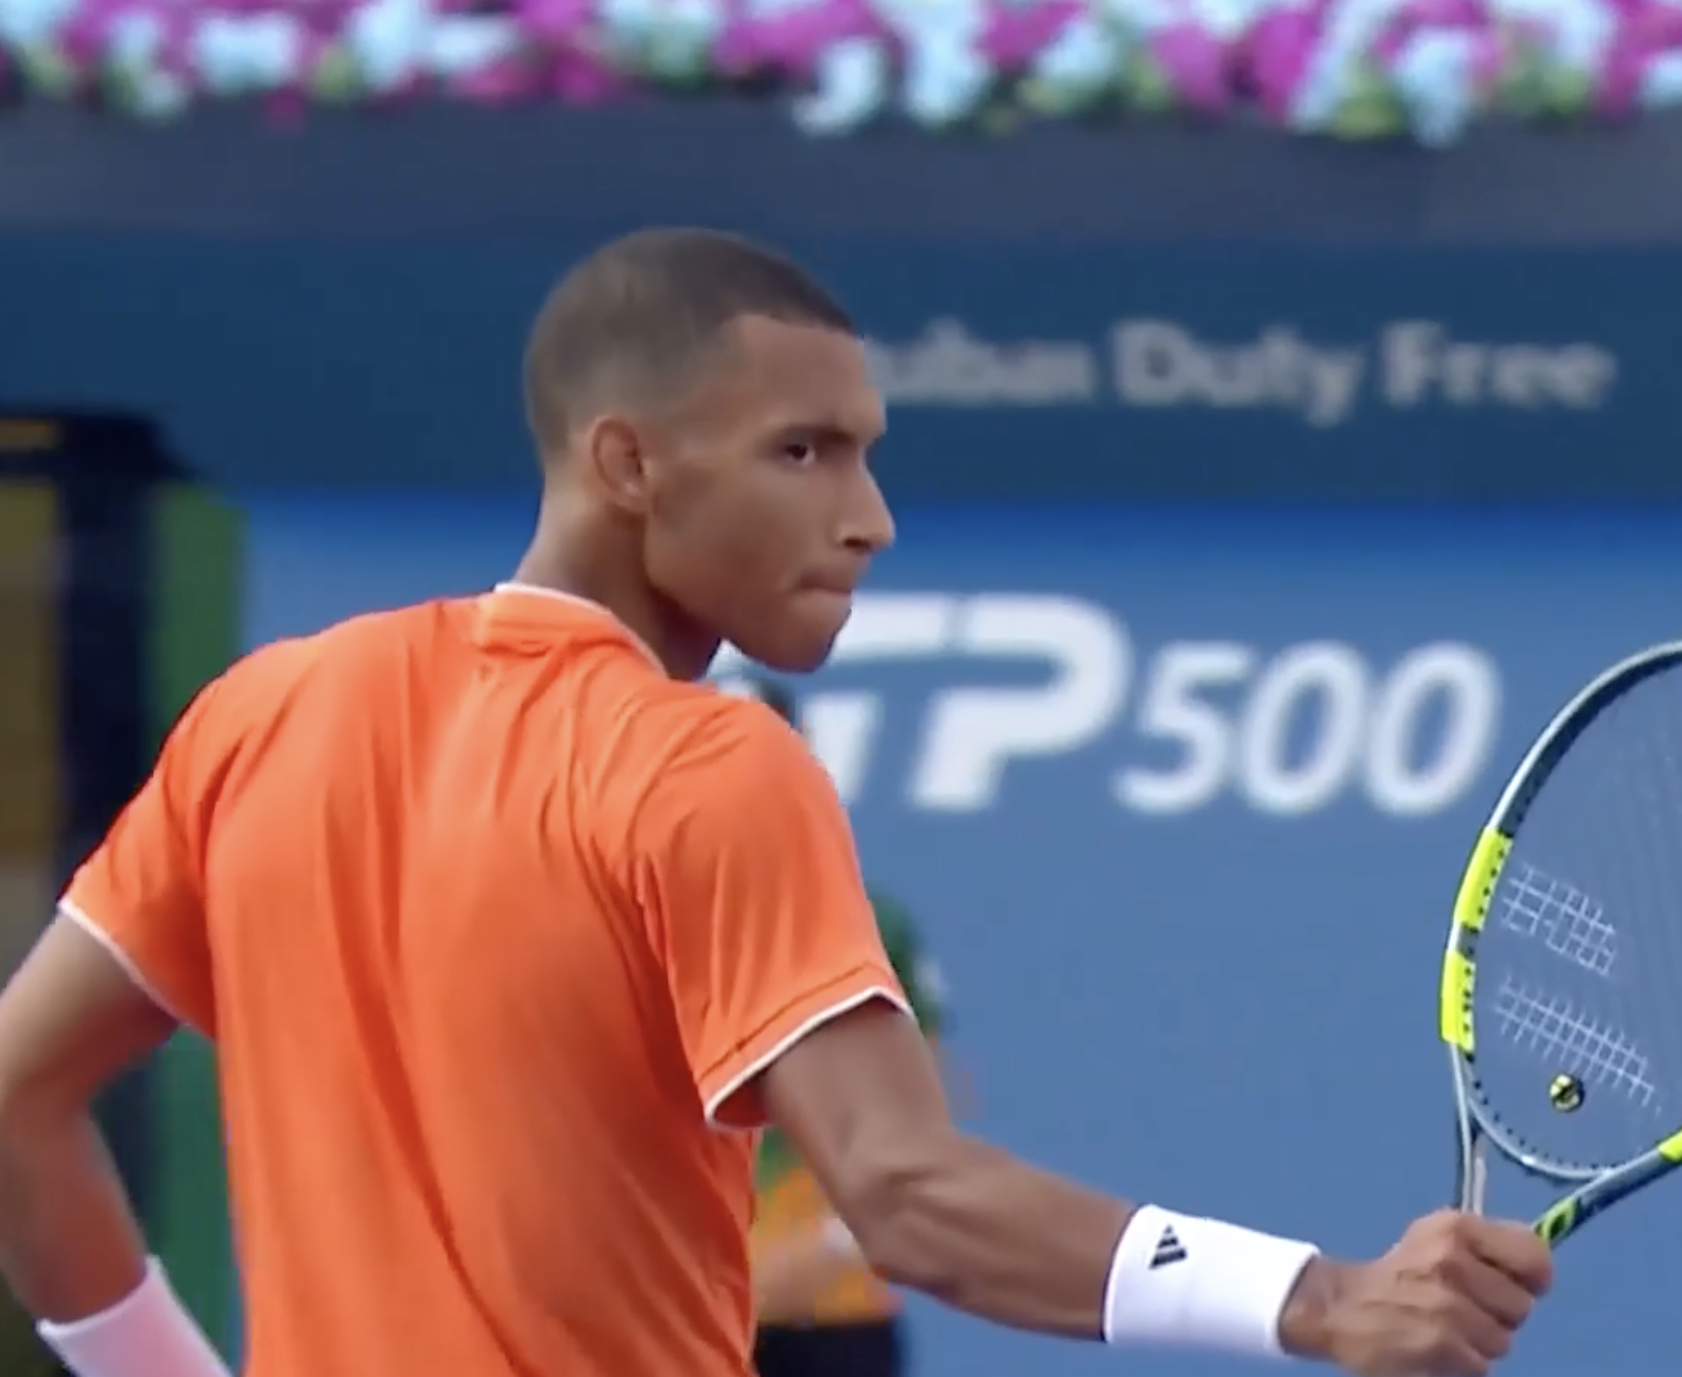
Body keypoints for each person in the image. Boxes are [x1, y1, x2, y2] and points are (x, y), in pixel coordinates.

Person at [0, 227, 1552, 1377]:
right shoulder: (710, 766)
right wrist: (1326, 1299)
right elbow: (910, 1196)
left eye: (870, 458)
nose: (867, 519)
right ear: (627, 464)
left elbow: (13, 1096)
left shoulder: (262, 714)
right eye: (804, 453)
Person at [745, 679, 947, 1377]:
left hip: (832, 1315)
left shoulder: (868, 923)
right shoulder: (616, 912)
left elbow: (922, 1120)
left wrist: (838, 1240)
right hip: (673, 1306)